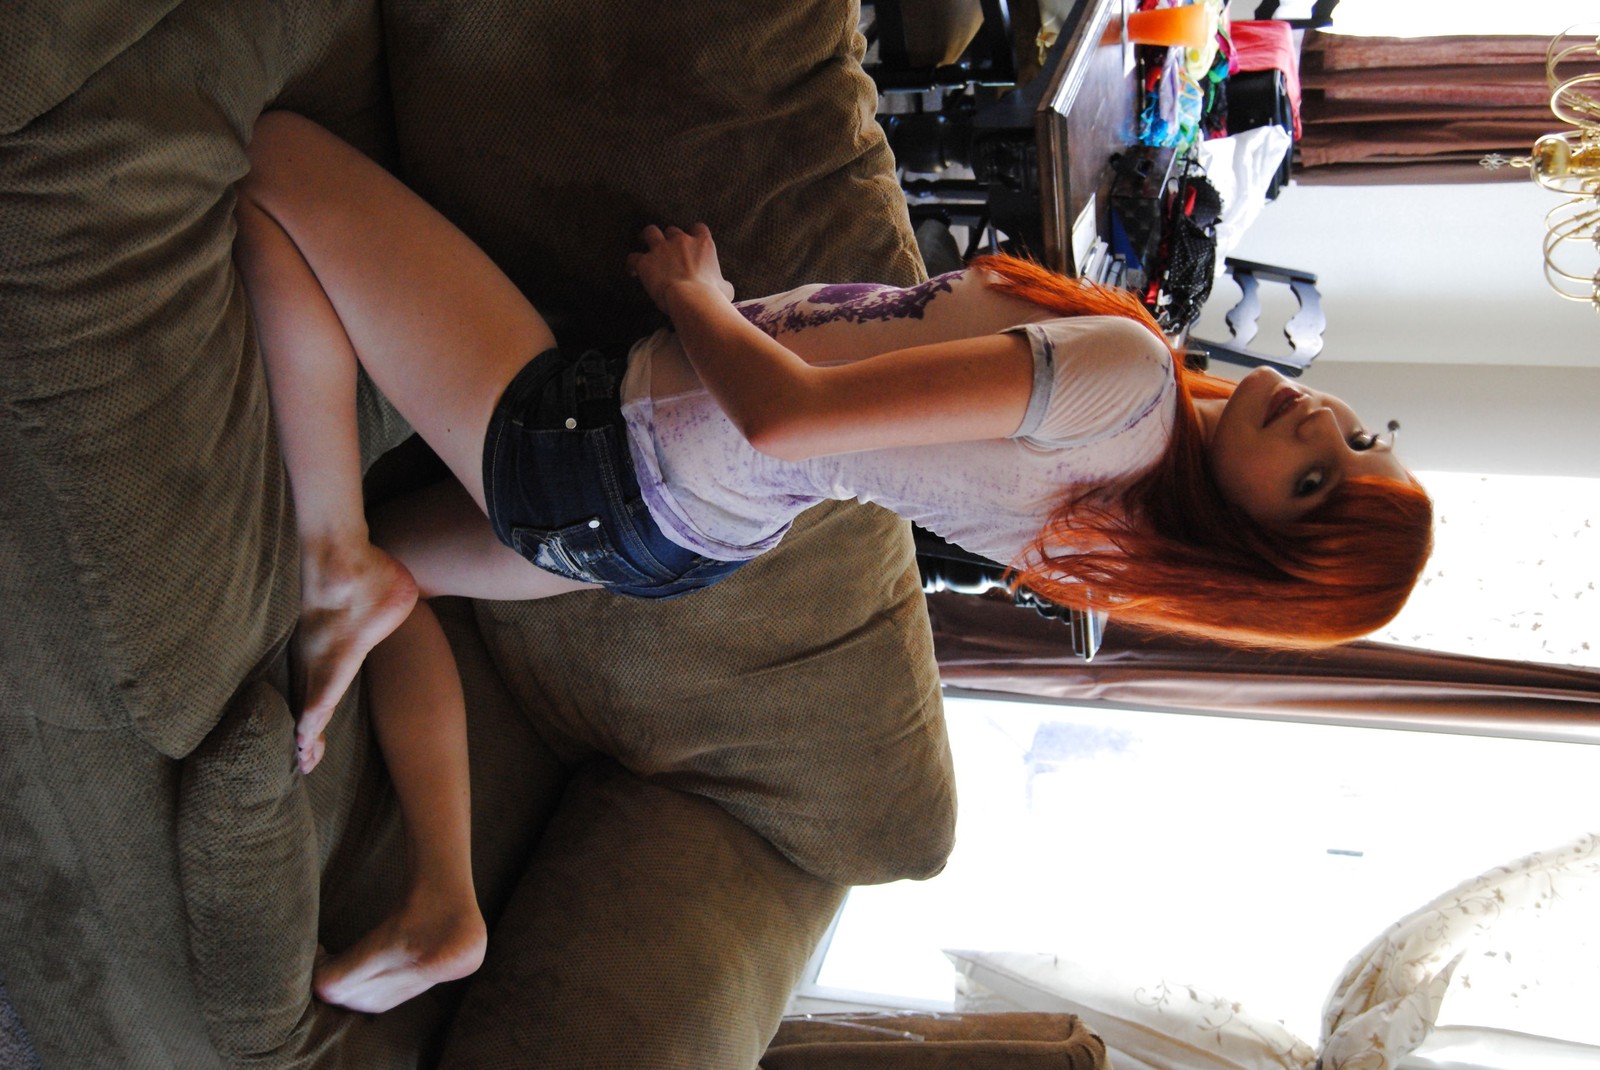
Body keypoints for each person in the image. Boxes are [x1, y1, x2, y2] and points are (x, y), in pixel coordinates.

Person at [232, 112, 1432, 1013]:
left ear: (1256, 545)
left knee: (271, 161)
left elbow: (788, 418)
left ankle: (331, 555)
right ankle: (445, 897)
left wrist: (694, 295)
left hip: (616, 450)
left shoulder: (1127, 386)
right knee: (406, 570)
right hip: (673, 534)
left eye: (1314, 483)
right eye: (1360, 438)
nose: (1320, 427)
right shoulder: (1110, 529)